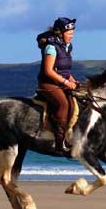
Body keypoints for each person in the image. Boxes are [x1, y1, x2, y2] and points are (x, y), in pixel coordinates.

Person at [37, 17, 79, 152]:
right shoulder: (51, 47)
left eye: (72, 33)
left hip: (61, 82)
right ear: (60, 33)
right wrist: (66, 82)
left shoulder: (67, 46)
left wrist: (73, 80)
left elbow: (65, 71)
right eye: (69, 33)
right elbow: (48, 71)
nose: (72, 36)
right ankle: (59, 141)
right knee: (63, 104)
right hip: (48, 83)